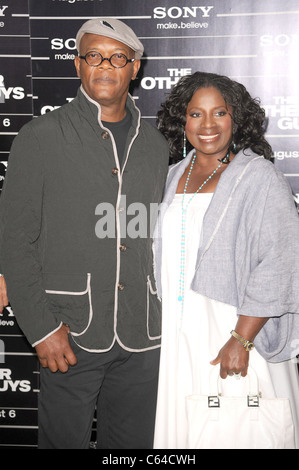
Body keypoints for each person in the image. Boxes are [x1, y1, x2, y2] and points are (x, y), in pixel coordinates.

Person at [0, 18, 169, 449]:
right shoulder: (39, 137)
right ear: (78, 65)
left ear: (135, 68)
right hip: (69, 333)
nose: (105, 65)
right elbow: (15, 243)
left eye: (118, 57)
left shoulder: (156, 145)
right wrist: (40, 329)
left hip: (143, 334)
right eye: (94, 55)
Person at [153, 71, 299, 449]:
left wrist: (241, 339)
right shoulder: (171, 176)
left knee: (242, 432)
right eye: (196, 114)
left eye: (219, 113)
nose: (208, 125)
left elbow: (279, 262)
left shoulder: (259, 177)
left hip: (234, 330)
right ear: (181, 120)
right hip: (181, 334)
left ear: (236, 119)